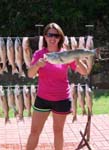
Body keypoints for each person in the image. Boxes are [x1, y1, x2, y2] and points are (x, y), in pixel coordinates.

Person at [26, 22, 91, 150]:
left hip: (61, 99)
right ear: (45, 37)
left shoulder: (66, 54)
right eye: (50, 35)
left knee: (58, 131)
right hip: (43, 99)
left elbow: (84, 72)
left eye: (56, 35)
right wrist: (37, 65)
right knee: (34, 131)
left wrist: (77, 59)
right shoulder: (39, 54)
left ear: (60, 38)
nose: (53, 38)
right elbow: (30, 74)